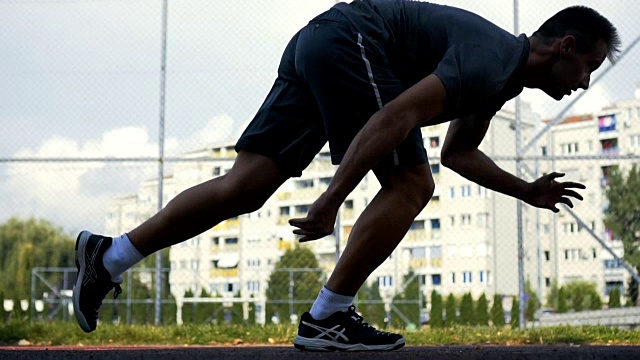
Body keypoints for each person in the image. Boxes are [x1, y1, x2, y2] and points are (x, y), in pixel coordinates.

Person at [73, 0, 620, 352]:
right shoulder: (491, 58)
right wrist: (333, 198)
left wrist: (527, 191)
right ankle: (326, 317)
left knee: (248, 185)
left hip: (322, 42)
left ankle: (110, 255)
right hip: (352, 41)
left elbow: (460, 154)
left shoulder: (499, 76)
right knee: (411, 184)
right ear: (564, 47)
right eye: (588, 67)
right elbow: (394, 116)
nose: (586, 82)